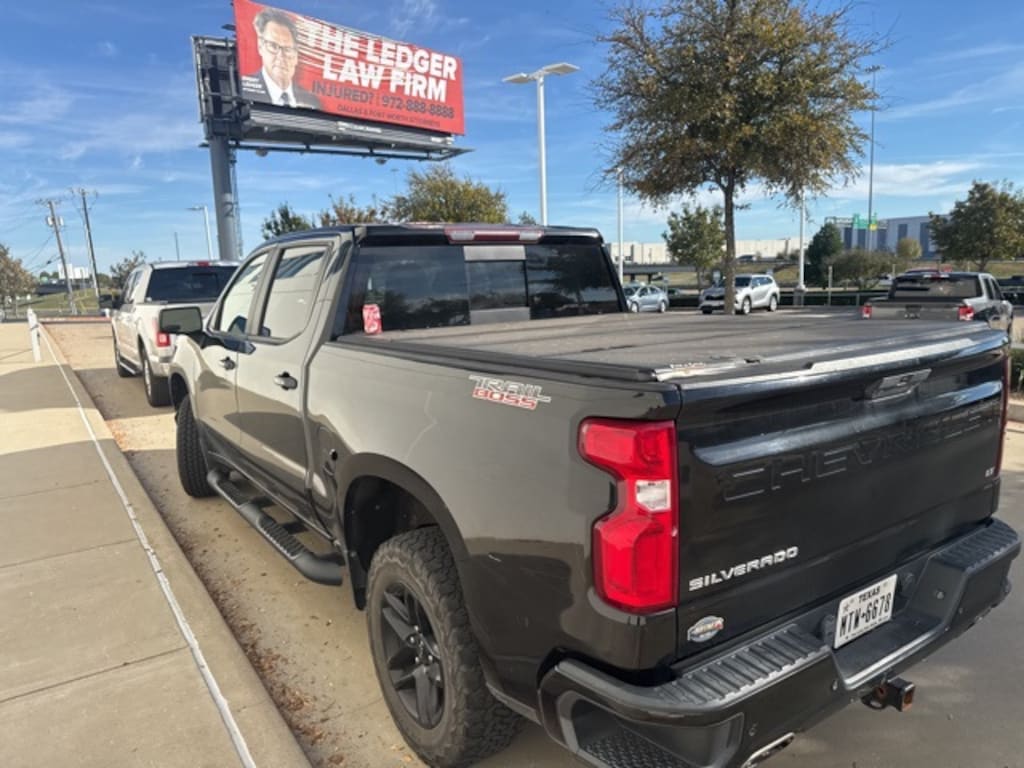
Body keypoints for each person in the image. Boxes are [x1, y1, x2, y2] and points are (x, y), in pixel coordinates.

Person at [241, 8, 321, 110]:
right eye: (273, 46)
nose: (281, 56)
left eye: (287, 49)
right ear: (260, 46)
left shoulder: (311, 102)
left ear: (296, 55)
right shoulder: (246, 89)